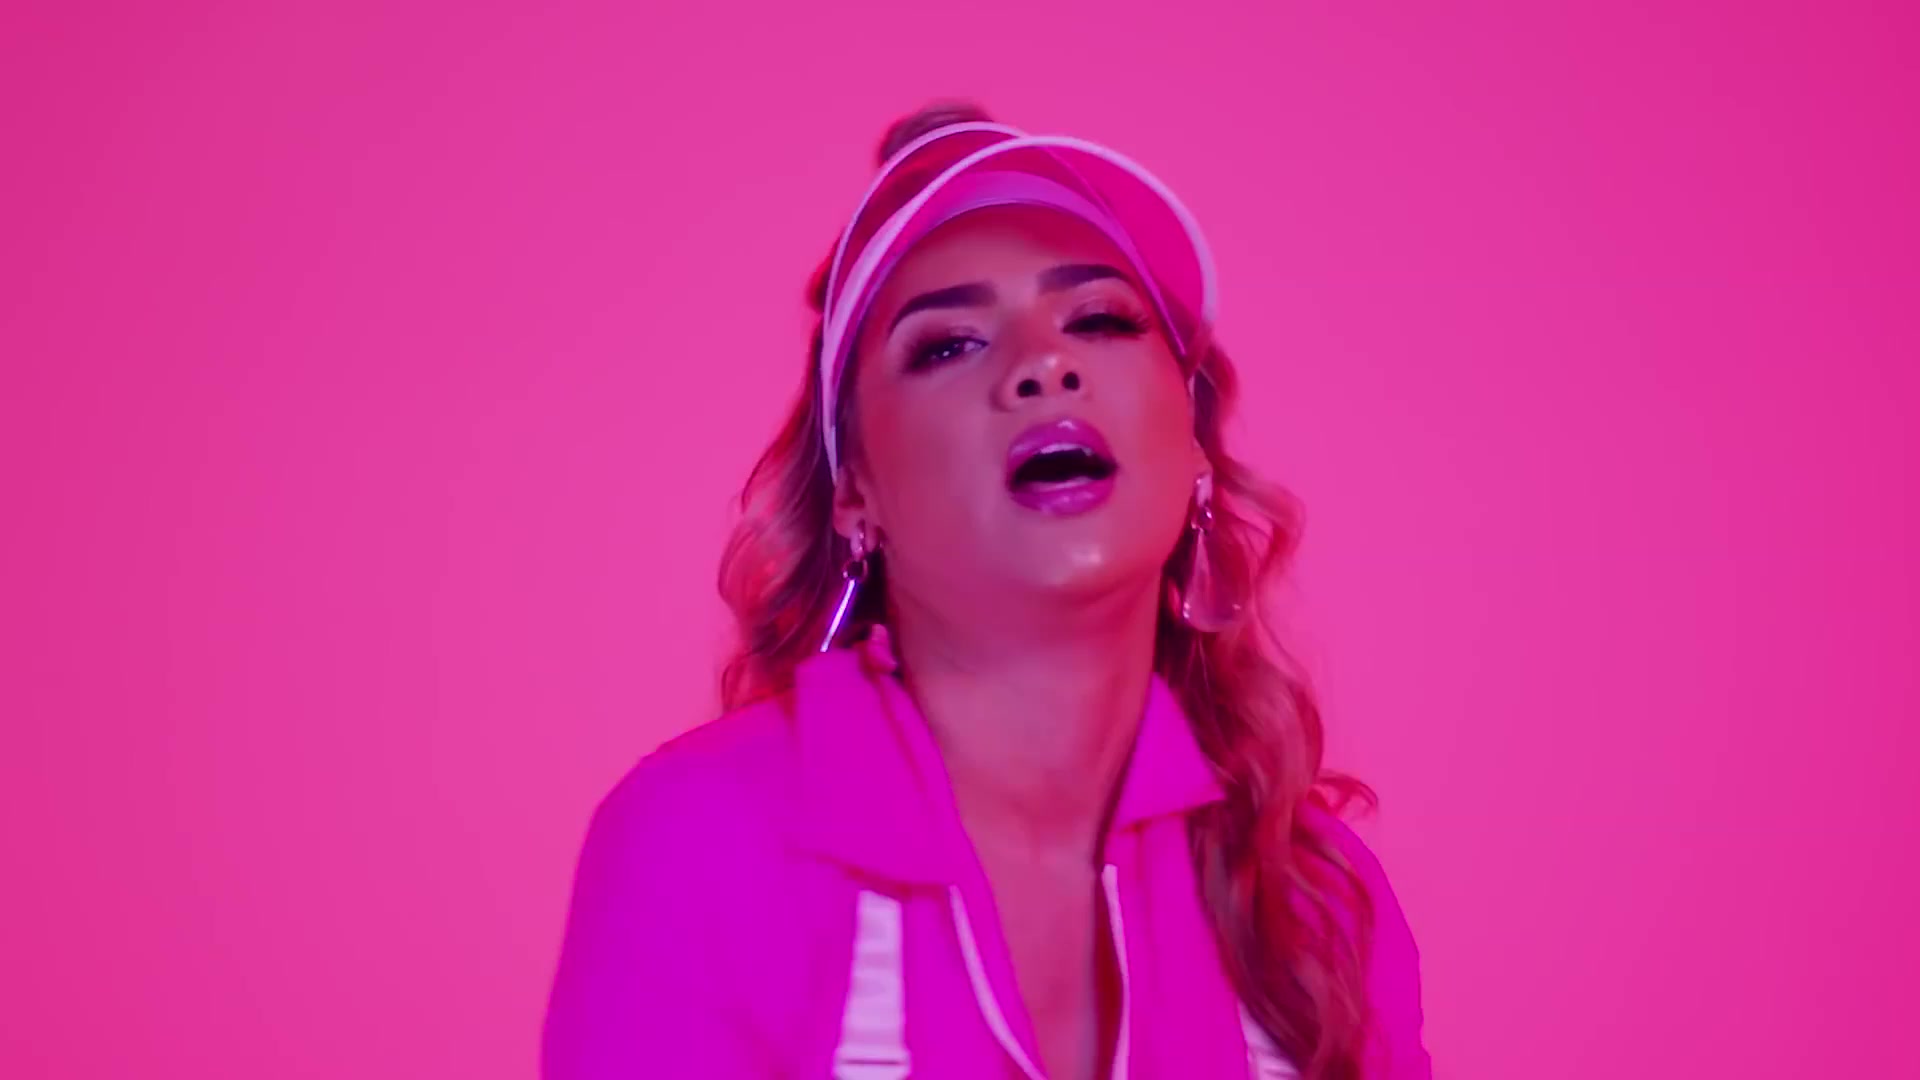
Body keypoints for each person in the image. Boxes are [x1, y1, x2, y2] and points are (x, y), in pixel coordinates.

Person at [542, 102, 1431, 1080]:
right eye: (948, 345)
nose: (1045, 366)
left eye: (1101, 320)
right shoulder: (699, 843)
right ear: (855, 494)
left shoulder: (1315, 900)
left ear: (1196, 454)